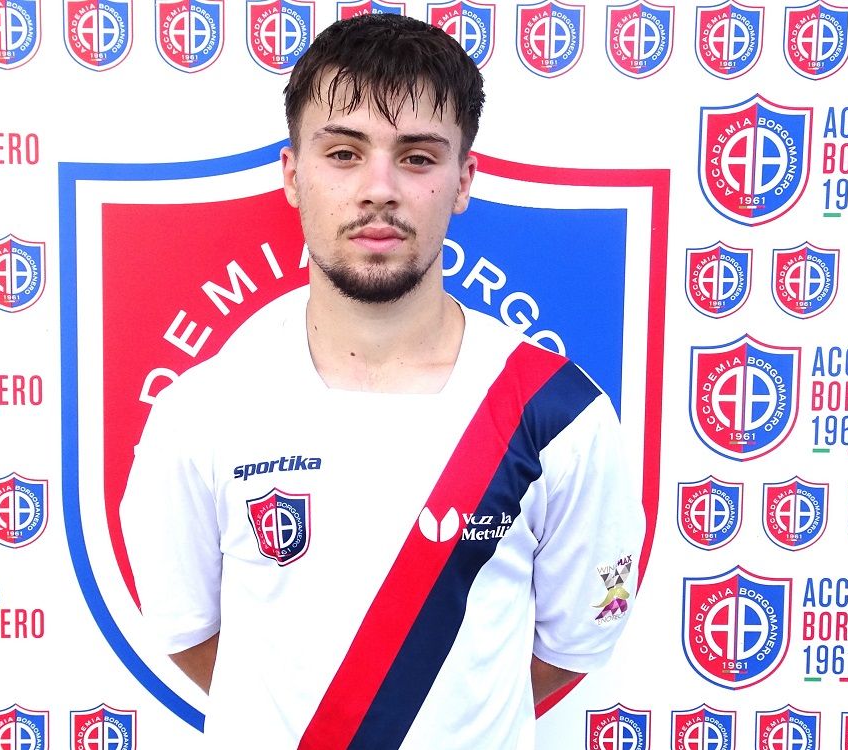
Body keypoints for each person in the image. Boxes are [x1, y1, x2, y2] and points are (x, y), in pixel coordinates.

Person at [121, 13, 644, 750]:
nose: (380, 189)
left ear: (463, 181)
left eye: (418, 158)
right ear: (292, 174)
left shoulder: (557, 414)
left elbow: (568, 648)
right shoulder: (204, 410)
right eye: (343, 153)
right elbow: (189, 634)